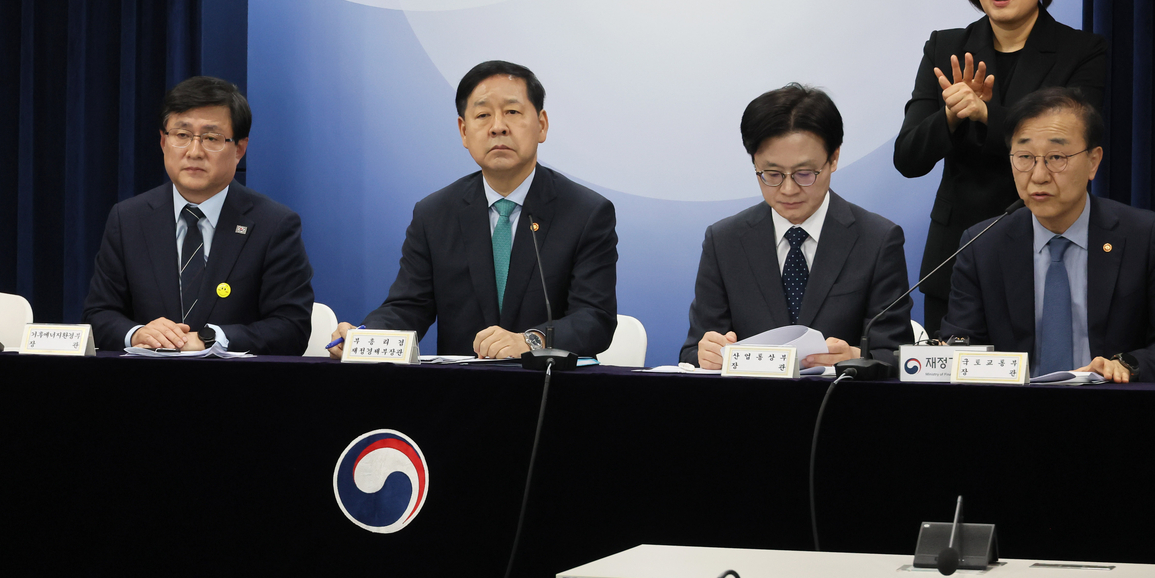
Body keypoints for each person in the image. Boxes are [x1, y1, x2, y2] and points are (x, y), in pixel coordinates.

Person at [895, 0, 1107, 336]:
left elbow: (1069, 145)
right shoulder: (945, 48)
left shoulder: (1082, 52)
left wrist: (986, 114)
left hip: (1048, 249)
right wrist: (951, 116)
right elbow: (908, 158)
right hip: (957, 256)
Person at [329, 60, 617, 359]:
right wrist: (363, 337)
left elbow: (594, 318)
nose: (498, 127)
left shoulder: (586, 213)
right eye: (483, 115)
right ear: (464, 131)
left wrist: (532, 341)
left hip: (548, 383)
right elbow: (409, 307)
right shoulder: (434, 214)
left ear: (541, 125)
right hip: (463, 385)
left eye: (512, 112)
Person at [941, 88, 1155, 383]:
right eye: (1025, 157)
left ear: (1093, 161)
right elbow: (961, 346)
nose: (1038, 176)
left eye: (1056, 157)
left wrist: (1126, 365)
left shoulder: (1143, 236)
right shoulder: (982, 245)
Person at [684, 85, 913, 370]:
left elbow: (898, 355)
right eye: (772, 174)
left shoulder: (877, 239)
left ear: (833, 158)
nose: (788, 189)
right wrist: (706, 354)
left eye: (804, 173)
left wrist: (856, 356)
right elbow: (692, 351)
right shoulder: (724, 241)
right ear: (754, 163)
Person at [82, 76, 314, 354]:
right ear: (163, 141)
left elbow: (292, 327)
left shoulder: (274, 224)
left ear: (239, 149)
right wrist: (137, 334)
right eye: (182, 135)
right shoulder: (129, 218)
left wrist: (213, 338)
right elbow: (98, 315)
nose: (194, 152)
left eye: (211, 138)